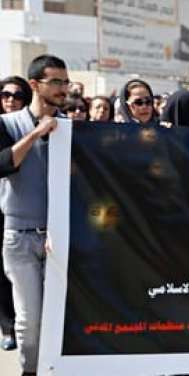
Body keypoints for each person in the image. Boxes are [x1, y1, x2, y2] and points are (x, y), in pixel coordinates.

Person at [0, 54, 66, 376]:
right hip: (21, 237)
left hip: (58, 238)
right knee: (30, 320)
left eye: (65, 82)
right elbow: (3, 164)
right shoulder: (7, 124)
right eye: (56, 81)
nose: (63, 88)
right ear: (35, 85)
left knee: (58, 318)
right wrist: (36, 134)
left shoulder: (68, 128)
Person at [0, 76, 31, 352]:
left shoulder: (27, 126)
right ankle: (7, 327)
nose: (10, 99)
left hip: (23, 212)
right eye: (5, 94)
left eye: (17, 95)